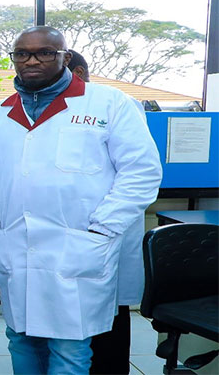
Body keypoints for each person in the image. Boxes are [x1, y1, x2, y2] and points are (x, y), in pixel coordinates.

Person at [0, 26, 162, 374]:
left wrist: (102, 229)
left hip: (78, 247)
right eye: (22, 53)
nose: (32, 61)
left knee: (70, 349)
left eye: (45, 52)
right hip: (16, 246)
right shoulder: (0, 112)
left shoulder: (108, 103)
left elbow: (141, 172)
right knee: (21, 339)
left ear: (65, 57)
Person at [68, 49, 144, 375]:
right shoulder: (44, 110)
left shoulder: (118, 106)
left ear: (81, 73)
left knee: (109, 317)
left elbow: (135, 173)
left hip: (105, 232)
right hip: (66, 237)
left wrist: (103, 225)